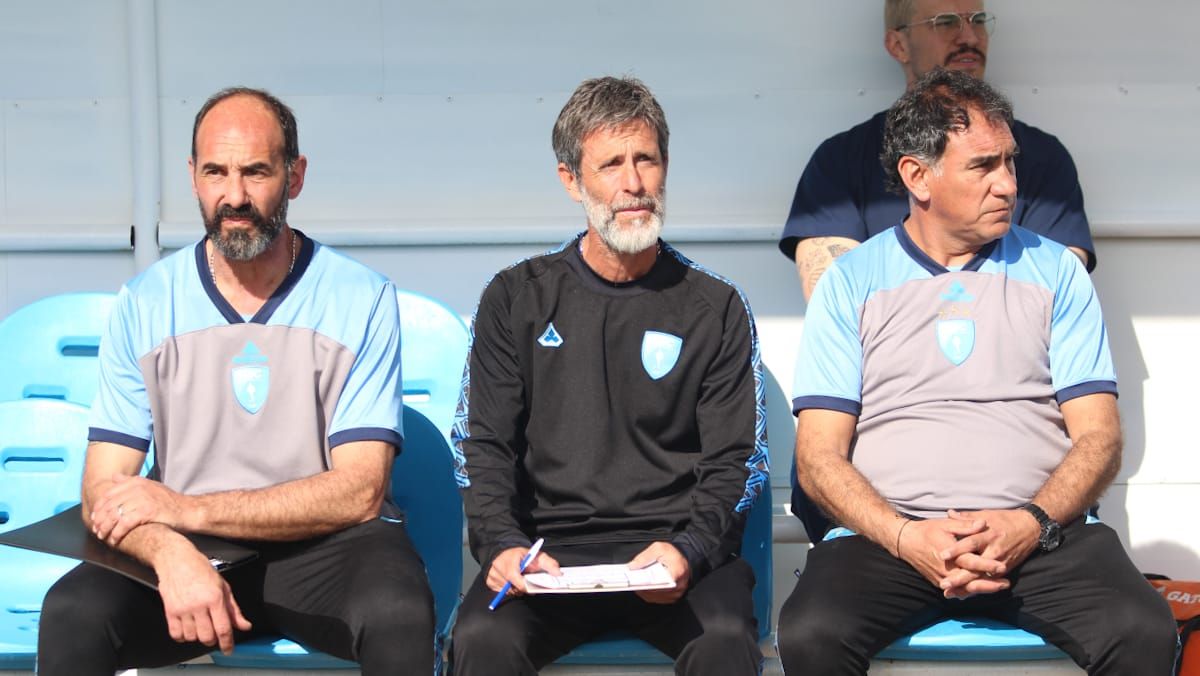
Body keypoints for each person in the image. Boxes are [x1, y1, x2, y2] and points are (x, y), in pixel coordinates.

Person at [775, 68, 1177, 675]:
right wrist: (909, 537)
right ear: (917, 177)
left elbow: (1099, 437)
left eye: (1010, 164)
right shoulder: (851, 284)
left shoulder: (1057, 275)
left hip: (1043, 536)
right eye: (983, 167)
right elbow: (818, 457)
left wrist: (1029, 522)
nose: (1008, 185)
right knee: (810, 633)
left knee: (1142, 629)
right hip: (892, 539)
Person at [36, 87, 435, 676]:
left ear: (295, 177)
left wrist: (184, 510)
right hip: (187, 549)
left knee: (400, 613)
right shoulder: (145, 302)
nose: (235, 196)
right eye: (216, 172)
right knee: (72, 613)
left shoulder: (362, 297)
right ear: (193, 177)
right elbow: (103, 489)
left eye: (256, 172)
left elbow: (359, 492)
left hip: (327, 549)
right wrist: (168, 549)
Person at [448, 76, 768, 676]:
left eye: (645, 159)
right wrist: (503, 546)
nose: (633, 183)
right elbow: (483, 448)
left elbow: (738, 464)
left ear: (666, 166)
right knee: (481, 643)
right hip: (549, 560)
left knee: (724, 642)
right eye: (611, 164)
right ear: (572, 180)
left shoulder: (716, 306)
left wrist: (690, 550)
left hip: (674, 558)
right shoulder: (515, 297)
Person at [780, 0, 1095, 302]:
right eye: (945, 22)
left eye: (979, 21)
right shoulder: (839, 161)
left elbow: (1056, 302)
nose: (970, 37)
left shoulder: (1045, 158)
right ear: (898, 45)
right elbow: (837, 308)